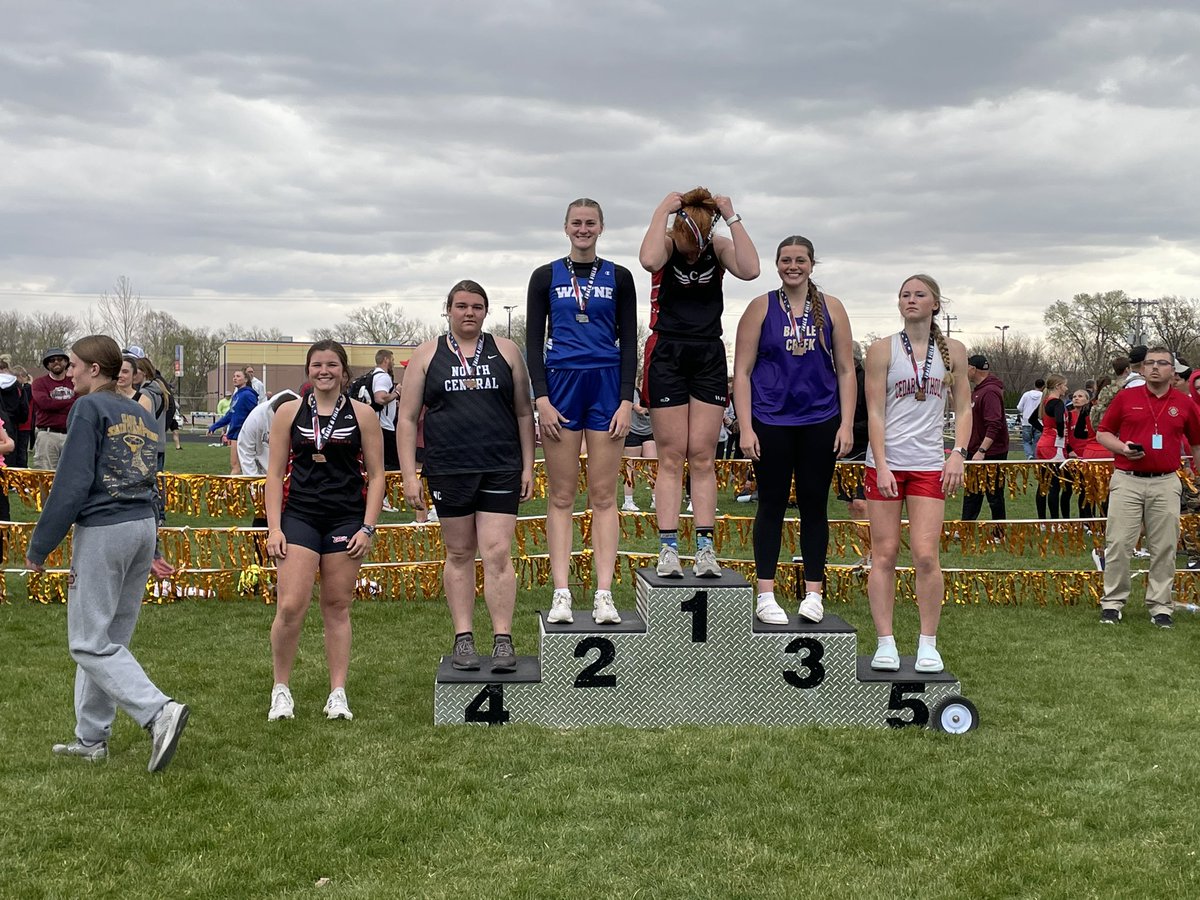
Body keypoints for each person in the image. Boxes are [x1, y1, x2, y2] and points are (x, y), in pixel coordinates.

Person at [25, 335, 188, 771]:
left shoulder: (88, 408)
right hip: (141, 526)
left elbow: (72, 481)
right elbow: (150, 478)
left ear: (95, 369)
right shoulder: (141, 412)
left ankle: (158, 711)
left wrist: (40, 545)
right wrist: (153, 543)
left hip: (104, 529)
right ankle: (91, 738)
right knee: (110, 639)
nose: (69, 372)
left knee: (88, 642)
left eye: (74, 365)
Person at [398, 280, 535, 671]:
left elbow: (524, 412)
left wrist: (528, 465)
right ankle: (463, 639)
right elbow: (407, 418)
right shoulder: (427, 354)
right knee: (459, 553)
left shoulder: (506, 350)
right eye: (461, 306)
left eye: (477, 306)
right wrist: (409, 475)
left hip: (500, 465)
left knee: (497, 553)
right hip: (449, 468)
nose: (469, 312)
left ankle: (503, 639)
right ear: (448, 310)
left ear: (486, 311)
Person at [732, 235, 855, 625]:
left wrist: (847, 423)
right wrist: (745, 427)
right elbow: (742, 372)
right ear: (777, 265)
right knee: (770, 504)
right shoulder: (760, 307)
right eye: (786, 260)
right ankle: (766, 595)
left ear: (812, 264)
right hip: (770, 420)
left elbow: (846, 370)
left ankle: (813, 594)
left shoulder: (832, 307)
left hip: (820, 419)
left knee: (815, 505)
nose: (793, 266)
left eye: (800, 260)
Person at [638, 187, 760, 577]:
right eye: (689, 241)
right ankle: (668, 548)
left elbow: (751, 269)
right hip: (668, 352)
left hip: (707, 352)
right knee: (672, 456)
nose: (693, 251)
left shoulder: (717, 246)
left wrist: (731, 215)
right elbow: (648, 259)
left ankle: (705, 548)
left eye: (699, 242)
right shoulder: (667, 244)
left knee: (704, 456)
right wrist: (663, 209)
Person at [526, 198, 637, 624]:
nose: (583, 229)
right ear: (566, 227)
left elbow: (629, 342)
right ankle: (562, 593)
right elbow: (533, 341)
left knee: (604, 496)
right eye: (577, 222)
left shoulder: (620, 276)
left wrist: (625, 399)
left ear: (601, 227)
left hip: (606, 384)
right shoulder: (545, 276)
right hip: (561, 384)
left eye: (591, 222)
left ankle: (604, 594)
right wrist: (541, 399)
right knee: (561, 495)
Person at [264, 341, 385, 722]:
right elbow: (273, 475)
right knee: (290, 605)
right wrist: (273, 528)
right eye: (317, 365)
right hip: (300, 516)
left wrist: (368, 527)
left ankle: (337, 692)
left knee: (336, 605)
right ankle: (281, 689)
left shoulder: (364, 414)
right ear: (308, 370)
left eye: (332, 364)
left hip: (345, 519)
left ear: (344, 372)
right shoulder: (288, 412)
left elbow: (378, 476)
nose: (324, 371)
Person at [864, 275, 972, 674]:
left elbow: (964, 408)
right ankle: (885, 642)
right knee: (885, 554)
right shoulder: (882, 349)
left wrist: (958, 453)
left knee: (926, 556)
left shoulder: (954, 351)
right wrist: (881, 463)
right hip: (886, 464)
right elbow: (874, 411)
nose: (911, 300)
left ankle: (928, 643)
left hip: (928, 464)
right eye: (905, 295)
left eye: (919, 294)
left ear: (935, 304)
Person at [1096, 347, 1200, 628]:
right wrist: (1122, 448)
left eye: (1162, 363)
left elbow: (1196, 442)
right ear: (1141, 369)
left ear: (1173, 371)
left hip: (1166, 481)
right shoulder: (1125, 398)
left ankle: (1160, 606)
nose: (1155, 367)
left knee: (1164, 546)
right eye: (1149, 363)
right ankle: (1112, 603)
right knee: (1119, 543)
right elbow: (1103, 432)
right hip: (1127, 479)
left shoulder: (1184, 403)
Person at [961, 354, 1009, 524]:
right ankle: (966, 527)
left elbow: (994, 424)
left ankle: (999, 531)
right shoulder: (978, 390)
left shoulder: (990, 392)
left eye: (966, 366)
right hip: (975, 449)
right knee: (972, 492)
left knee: (994, 494)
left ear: (973, 369)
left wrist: (982, 450)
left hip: (991, 452)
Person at [30, 348, 77, 471]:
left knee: (72, 474)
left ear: (66, 362)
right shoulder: (39, 383)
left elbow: (81, 402)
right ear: (47, 364)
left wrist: (55, 404)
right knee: (46, 474)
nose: (56, 362)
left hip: (72, 433)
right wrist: (71, 402)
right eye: (52, 360)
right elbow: (45, 404)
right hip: (47, 434)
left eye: (60, 359)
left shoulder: (74, 381)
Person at [1034, 375, 1073, 519]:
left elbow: (1032, 419)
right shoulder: (1057, 403)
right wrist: (1060, 433)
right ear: (1058, 386)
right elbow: (1059, 421)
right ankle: (1055, 521)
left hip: (1044, 443)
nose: (1066, 388)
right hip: (1053, 446)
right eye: (1064, 385)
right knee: (1054, 486)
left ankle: (1042, 521)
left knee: (1043, 484)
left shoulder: (1045, 401)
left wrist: (1046, 430)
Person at [208, 370, 258, 475]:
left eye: (238, 376)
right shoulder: (237, 395)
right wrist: (214, 427)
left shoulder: (248, 394)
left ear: (246, 379)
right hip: (235, 434)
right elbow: (230, 414)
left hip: (243, 433)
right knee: (235, 465)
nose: (235, 378)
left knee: (238, 466)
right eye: (234, 376)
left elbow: (255, 414)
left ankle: (232, 486)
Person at [622, 383, 656, 512]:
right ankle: (628, 501)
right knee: (632, 468)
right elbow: (639, 409)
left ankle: (655, 499)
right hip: (633, 432)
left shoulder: (654, 393)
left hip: (649, 432)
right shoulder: (634, 393)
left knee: (653, 466)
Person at [0, 357, 29, 468]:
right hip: (11, 425)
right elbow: (24, 410)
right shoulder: (17, 386)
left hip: (2, 420)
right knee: (10, 461)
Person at [1016, 378, 1044, 460]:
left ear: (1034, 385)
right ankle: (1035, 457)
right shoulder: (1043, 396)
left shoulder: (1026, 394)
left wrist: (1025, 411)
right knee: (1037, 442)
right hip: (1039, 422)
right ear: (1043, 386)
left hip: (1026, 422)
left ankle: (1029, 455)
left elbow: (1019, 407)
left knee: (1026, 441)